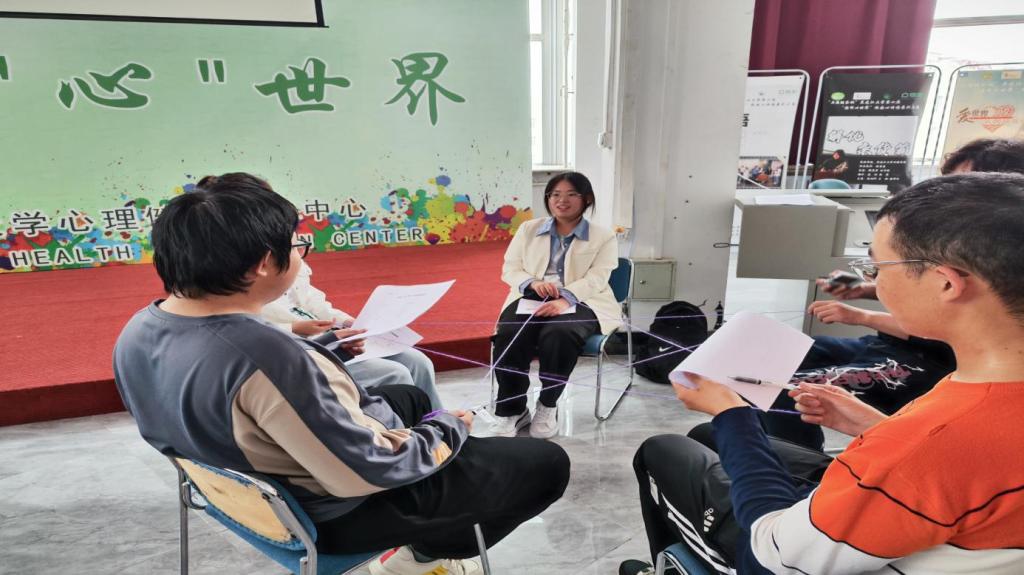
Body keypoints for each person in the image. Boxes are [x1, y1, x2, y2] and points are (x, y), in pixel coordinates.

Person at [113, 173, 570, 575]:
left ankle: (434, 493)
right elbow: (367, 470)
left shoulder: (140, 329)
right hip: (326, 513)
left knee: (409, 396)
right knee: (544, 465)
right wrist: (449, 428)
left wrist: (321, 350)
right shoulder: (267, 356)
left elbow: (249, 387)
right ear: (263, 264)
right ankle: (419, 558)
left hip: (236, 484)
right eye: (295, 244)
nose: (300, 253)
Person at [619, 172, 1024, 575]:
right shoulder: (986, 390)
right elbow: (960, 471)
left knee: (664, 450)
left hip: (783, 554)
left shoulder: (927, 442)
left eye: (878, 267)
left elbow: (774, 556)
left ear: (946, 283)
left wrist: (731, 413)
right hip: (917, 516)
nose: (873, 281)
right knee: (709, 437)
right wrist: (874, 427)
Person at [766, 136, 1024, 450]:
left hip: (921, 363)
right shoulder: (951, 253)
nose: (943, 197)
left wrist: (860, 315)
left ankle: (800, 465)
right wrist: (864, 287)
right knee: (779, 359)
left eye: (965, 186)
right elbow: (923, 290)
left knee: (786, 390)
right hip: (887, 346)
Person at [490, 171, 621, 438]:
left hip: (584, 299)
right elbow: (510, 268)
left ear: (586, 199)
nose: (562, 200)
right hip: (532, 296)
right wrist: (532, 283)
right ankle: (513, 410)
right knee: (510, 333)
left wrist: (566, 298)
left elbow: (598, 277)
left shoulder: (603, 236)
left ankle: (547, 406)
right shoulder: (529, 229)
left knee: (560, 333)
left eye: (571, 194)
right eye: (555, 194)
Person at [261, 259, 444, 410]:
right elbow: (249, 329)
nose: (299, 253)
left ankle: (440, 425)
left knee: (418, 361)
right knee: (395, 373)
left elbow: (314, 302)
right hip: (298, 352)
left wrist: (347, 322)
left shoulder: (295, 264)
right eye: (294, 246)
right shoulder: (250, 279)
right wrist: (294, 328)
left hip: (327, 340)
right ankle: (410, 435)